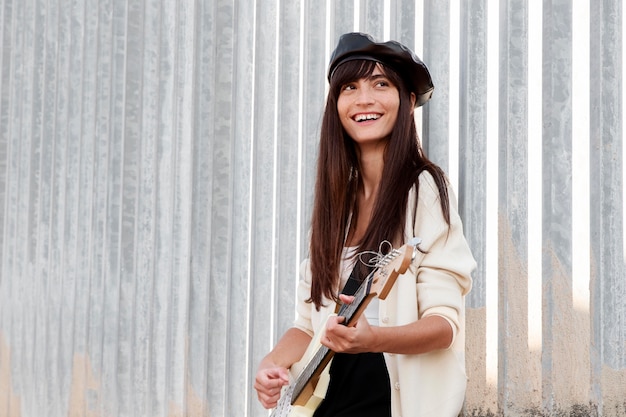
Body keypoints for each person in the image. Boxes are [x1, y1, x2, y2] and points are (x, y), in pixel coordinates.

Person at [254, 32, 476, 417]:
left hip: (390, 403)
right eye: (350, 87)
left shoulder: (423, 188)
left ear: (407, 100)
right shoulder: (334, 206)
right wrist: (270, 366)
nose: (364, 99)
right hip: (331, 401)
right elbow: (309, 324)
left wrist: (375, 339)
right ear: (336, 104)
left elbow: (444, 326)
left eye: (381, 84)